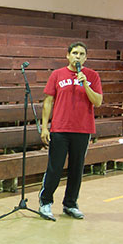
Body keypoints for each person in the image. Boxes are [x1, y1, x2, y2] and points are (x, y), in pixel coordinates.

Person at [38, 41, 103, 221]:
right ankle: (45, 202)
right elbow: (48, 101)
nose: (78, 57)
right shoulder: (57, 75)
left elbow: (97, 101)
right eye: (75, 53)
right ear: (68, 55)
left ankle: (70, 204)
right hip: (60, 128)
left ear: (86, 57)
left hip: (82, 129)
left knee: (76, 169)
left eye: (82, 54)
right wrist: (45, 127)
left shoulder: (92, 76)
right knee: (55, 168)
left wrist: (86, 85)